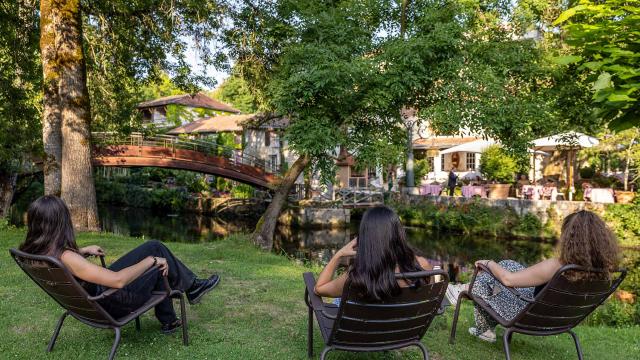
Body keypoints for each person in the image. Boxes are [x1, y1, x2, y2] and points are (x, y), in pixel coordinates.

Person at [19, 196, 220, 334]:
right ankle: (190, 290)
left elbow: (63, 263)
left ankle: (172, 315)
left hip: (97, 297)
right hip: (112, 302)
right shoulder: (68, 258)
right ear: (61, 222)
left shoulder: (35, 252)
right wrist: (150, 261)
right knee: (156, 256)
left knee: (153, 246)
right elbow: (118, 280)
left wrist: (81, 251)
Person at [447, 210, 619, 343]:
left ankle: (464, 300)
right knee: (507, 264)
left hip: (526, 316)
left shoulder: (558, 266)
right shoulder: (603, 272)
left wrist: (488, 262)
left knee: (486, 277)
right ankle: (482, 324)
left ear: (569, 239)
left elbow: (508, 280)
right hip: (557, 319)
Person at [314, 206, 432, 302]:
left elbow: (319, 289)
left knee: (339, 301)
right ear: (398, 233)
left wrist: (338, 255)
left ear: (365, 237)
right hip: (405, 329)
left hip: (362, 329)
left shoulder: (356, 277)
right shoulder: (423, 266)